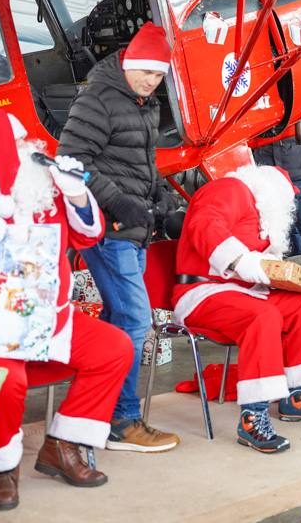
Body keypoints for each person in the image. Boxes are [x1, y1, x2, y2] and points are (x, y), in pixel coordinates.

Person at [0, 111, 133, 510]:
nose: (33, 149)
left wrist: (77, 196)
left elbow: (90, 236)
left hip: (51, 319)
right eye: (20, 145)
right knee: (6, 380)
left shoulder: (41, 187)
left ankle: (64, 445)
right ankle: (2, 468)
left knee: (114, 348)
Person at [56, 22, 180, 452]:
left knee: (118, 321)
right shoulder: (99, 98)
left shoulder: (143, 101)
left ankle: (96, 408)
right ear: (127, 63)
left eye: (159, 74)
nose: (150, 80)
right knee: (134, 320)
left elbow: (141, 160)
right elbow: (69, 160)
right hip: (110, 231)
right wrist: (117, 203)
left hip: (136, 229)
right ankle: (121, 419)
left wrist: (159, 195)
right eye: (144, 71)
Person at [172, 164, 301, 454]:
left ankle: (298, 396)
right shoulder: (228, 190)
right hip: (201, 292)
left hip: (242, 291)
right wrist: (245, 263)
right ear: (272, 191)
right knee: (264, 316)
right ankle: (254, 415)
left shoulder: (260, 212)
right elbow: (204, 226)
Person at [253, 126, 301, 259]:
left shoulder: (296, 108)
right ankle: (293, 265)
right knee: (281, 227)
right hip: (270, 176)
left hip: (295, 177)